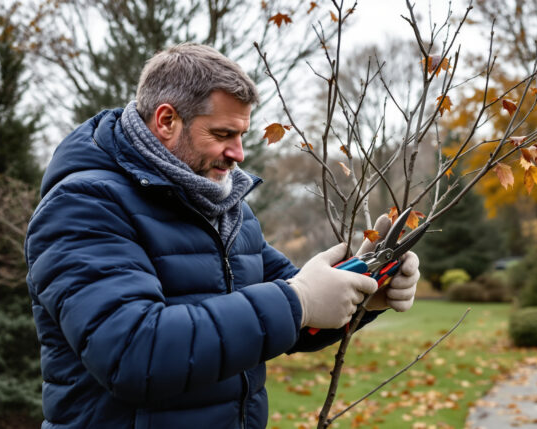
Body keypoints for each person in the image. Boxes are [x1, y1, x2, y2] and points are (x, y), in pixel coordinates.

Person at [24, 43, 420, 429]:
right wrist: (299, 300)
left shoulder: (226, 207)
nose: (239, 153)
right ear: (166, 121)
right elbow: (133, 355)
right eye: (222, 133)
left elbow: (288, 317)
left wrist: (364, 284)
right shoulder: (84, 205)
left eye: (242, 134)